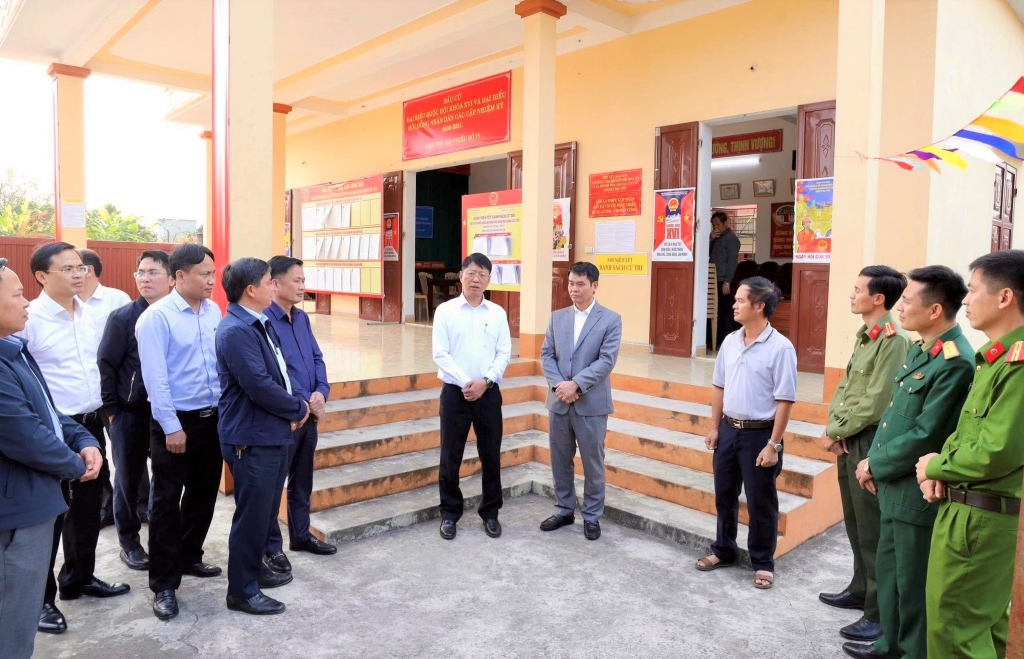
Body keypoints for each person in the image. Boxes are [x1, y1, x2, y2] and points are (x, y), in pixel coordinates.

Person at [841, 266, 974, 659]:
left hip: (915, 490)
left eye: (908, 301)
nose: (900, 308)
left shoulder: (954, 361)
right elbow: (895, 415)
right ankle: (889, 645)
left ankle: (910, 651)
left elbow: (926, 433)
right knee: (891, 575)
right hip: (893, 485)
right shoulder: (921, 349)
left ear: (934, 310)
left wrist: (874, 464)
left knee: (912, 583)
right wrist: (874, 462)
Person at [916, 250, 1024, 659]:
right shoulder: (994, 359)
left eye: (974, 290)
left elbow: (996, 451)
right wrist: (941, 473)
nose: (965, 300)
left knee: (955, 634)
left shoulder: (1017, 364)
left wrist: (935, 465)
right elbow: (968, 433)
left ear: (1005, 297)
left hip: (981, 519)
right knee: (979, 630)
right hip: (966, 507)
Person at [19, 242, 130, 636]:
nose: (78, 274)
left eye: (80, 267)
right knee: (50, 516)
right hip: (51, 428)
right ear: (41, 276)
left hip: (90, 425)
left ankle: (78, 578)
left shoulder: (89, 313)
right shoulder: (30, 319)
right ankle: (40, 600)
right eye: (67, 268)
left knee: (87, 508)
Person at [0, 258, 103, 659]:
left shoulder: (15, 350)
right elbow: (24, 434)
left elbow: (48, 411)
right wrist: (76, 465)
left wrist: (83, 440)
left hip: (40, 488)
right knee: (13, 619)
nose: (26, 302)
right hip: (18, 508)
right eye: (17, 295)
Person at [818, 266, 911, 644]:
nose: (851, 295)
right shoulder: (865, 335)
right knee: (855, 522)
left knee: (872, 530)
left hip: (868, 440)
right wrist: (835, 427)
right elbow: (846, 389)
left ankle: (877, 611)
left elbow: (876, 401)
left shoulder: (893, 340)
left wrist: (837, 431)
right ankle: (860, 588)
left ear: (878, 298)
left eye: (858, 290)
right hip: (849, 437)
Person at [217, 258, 310, 615]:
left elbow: (280, 373)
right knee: (252, 517)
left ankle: (255, 570)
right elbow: (258, 385)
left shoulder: (257, 322)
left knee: (266, 511)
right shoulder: (236, 331)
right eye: (270, 281)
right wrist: (297, 408)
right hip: (251, 437)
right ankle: (242, 591)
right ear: (251, 290)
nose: (274, 286)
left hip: (270, 433)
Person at [136, 243, 223, 620]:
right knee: (166, 504)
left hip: (212, 419)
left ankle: (190, 556)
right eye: (204, 274)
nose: (211, 281)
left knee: (203, 495)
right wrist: (171, 427)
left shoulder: (213, 311)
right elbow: (156, 379)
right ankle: (164, 585)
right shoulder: (156, 318)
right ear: (180, 276)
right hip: (175, 423)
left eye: (213, 274)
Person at [695, 276, 797, 589]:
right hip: (729, 430)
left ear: (759, 306)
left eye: (740, 300)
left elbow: (785, 401)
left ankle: (763, 562)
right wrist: (715, 427)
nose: (734, 305)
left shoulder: (781, 348)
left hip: (759, 436)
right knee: (725, 495)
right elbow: (719, 386)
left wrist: (773, 445)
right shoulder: (730, 341)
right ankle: (723, 549)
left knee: (760, 501)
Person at [97, 250, 174, 572]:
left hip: (167, 414)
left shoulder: (176, 316)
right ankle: (129, 542)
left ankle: (162, 537)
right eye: (141, 272)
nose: (145, 278)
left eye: (153, 272)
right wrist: (113, 410)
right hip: (130, 413)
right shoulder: (123, 317)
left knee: (165, 478)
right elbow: (106, 364)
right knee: (127, 480)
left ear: (172, 279)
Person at [263, 256, 336, 577]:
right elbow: (273, 373)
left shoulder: (302, 318)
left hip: (310, 415)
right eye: (297, 280)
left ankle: (301, 535)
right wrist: (304, 401)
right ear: (275, 283)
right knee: (272, 486)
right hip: (286, 417)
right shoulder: (263, 321)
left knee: (302, 480)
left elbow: (317, 358)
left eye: (304, 280)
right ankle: (272, 549)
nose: (303, 286)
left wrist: (322, 392)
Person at [539, 261, 622, 540]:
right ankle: (564, 510)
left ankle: (592, 516)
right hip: (559, 402)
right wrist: (559, 386)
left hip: (591, 404)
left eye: (580, 284)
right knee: (560, 460)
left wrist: (576, 384)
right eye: (571, 283)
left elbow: (606, 360)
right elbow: (547, 355)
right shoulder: (557, 317)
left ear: (594, 286)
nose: (574, 289)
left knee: (592, 463)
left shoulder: (610, 319)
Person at [432, 253, 511, 540]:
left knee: (491, 455)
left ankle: (491, 513)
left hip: (488, 394)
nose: (476, 279)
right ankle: (449, 514)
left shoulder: (497, 313)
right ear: (461, 276)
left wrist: (485, 381)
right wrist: (467, 382)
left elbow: (504, 353)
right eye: (471, 273)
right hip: (456, 394)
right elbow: (440, 354)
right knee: (450, 456)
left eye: (482, 275)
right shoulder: (445, 311)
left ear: (489, 280)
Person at [78, 248, 133, 528]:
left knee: (127, 450)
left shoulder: (116, 299)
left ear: (88, 270)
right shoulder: (69, 302)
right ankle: (105, 505)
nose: (72, 274)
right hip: (82, 393)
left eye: (75, 267)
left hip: (113, 389)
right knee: (93, 451)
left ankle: (139, 504)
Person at [709, 211, 740, 350]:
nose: (716, 227)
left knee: (723, 310)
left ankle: (724, 341)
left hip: (723, 280)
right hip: (712, 277)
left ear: (725, 223)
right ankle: (711, 339)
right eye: (713, 225)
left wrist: (727, 281)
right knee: (712, 309)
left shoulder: (731, 239)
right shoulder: (715, 237)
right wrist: (710, 239)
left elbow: (732, 262)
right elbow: (704, 253)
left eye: (718, 224)